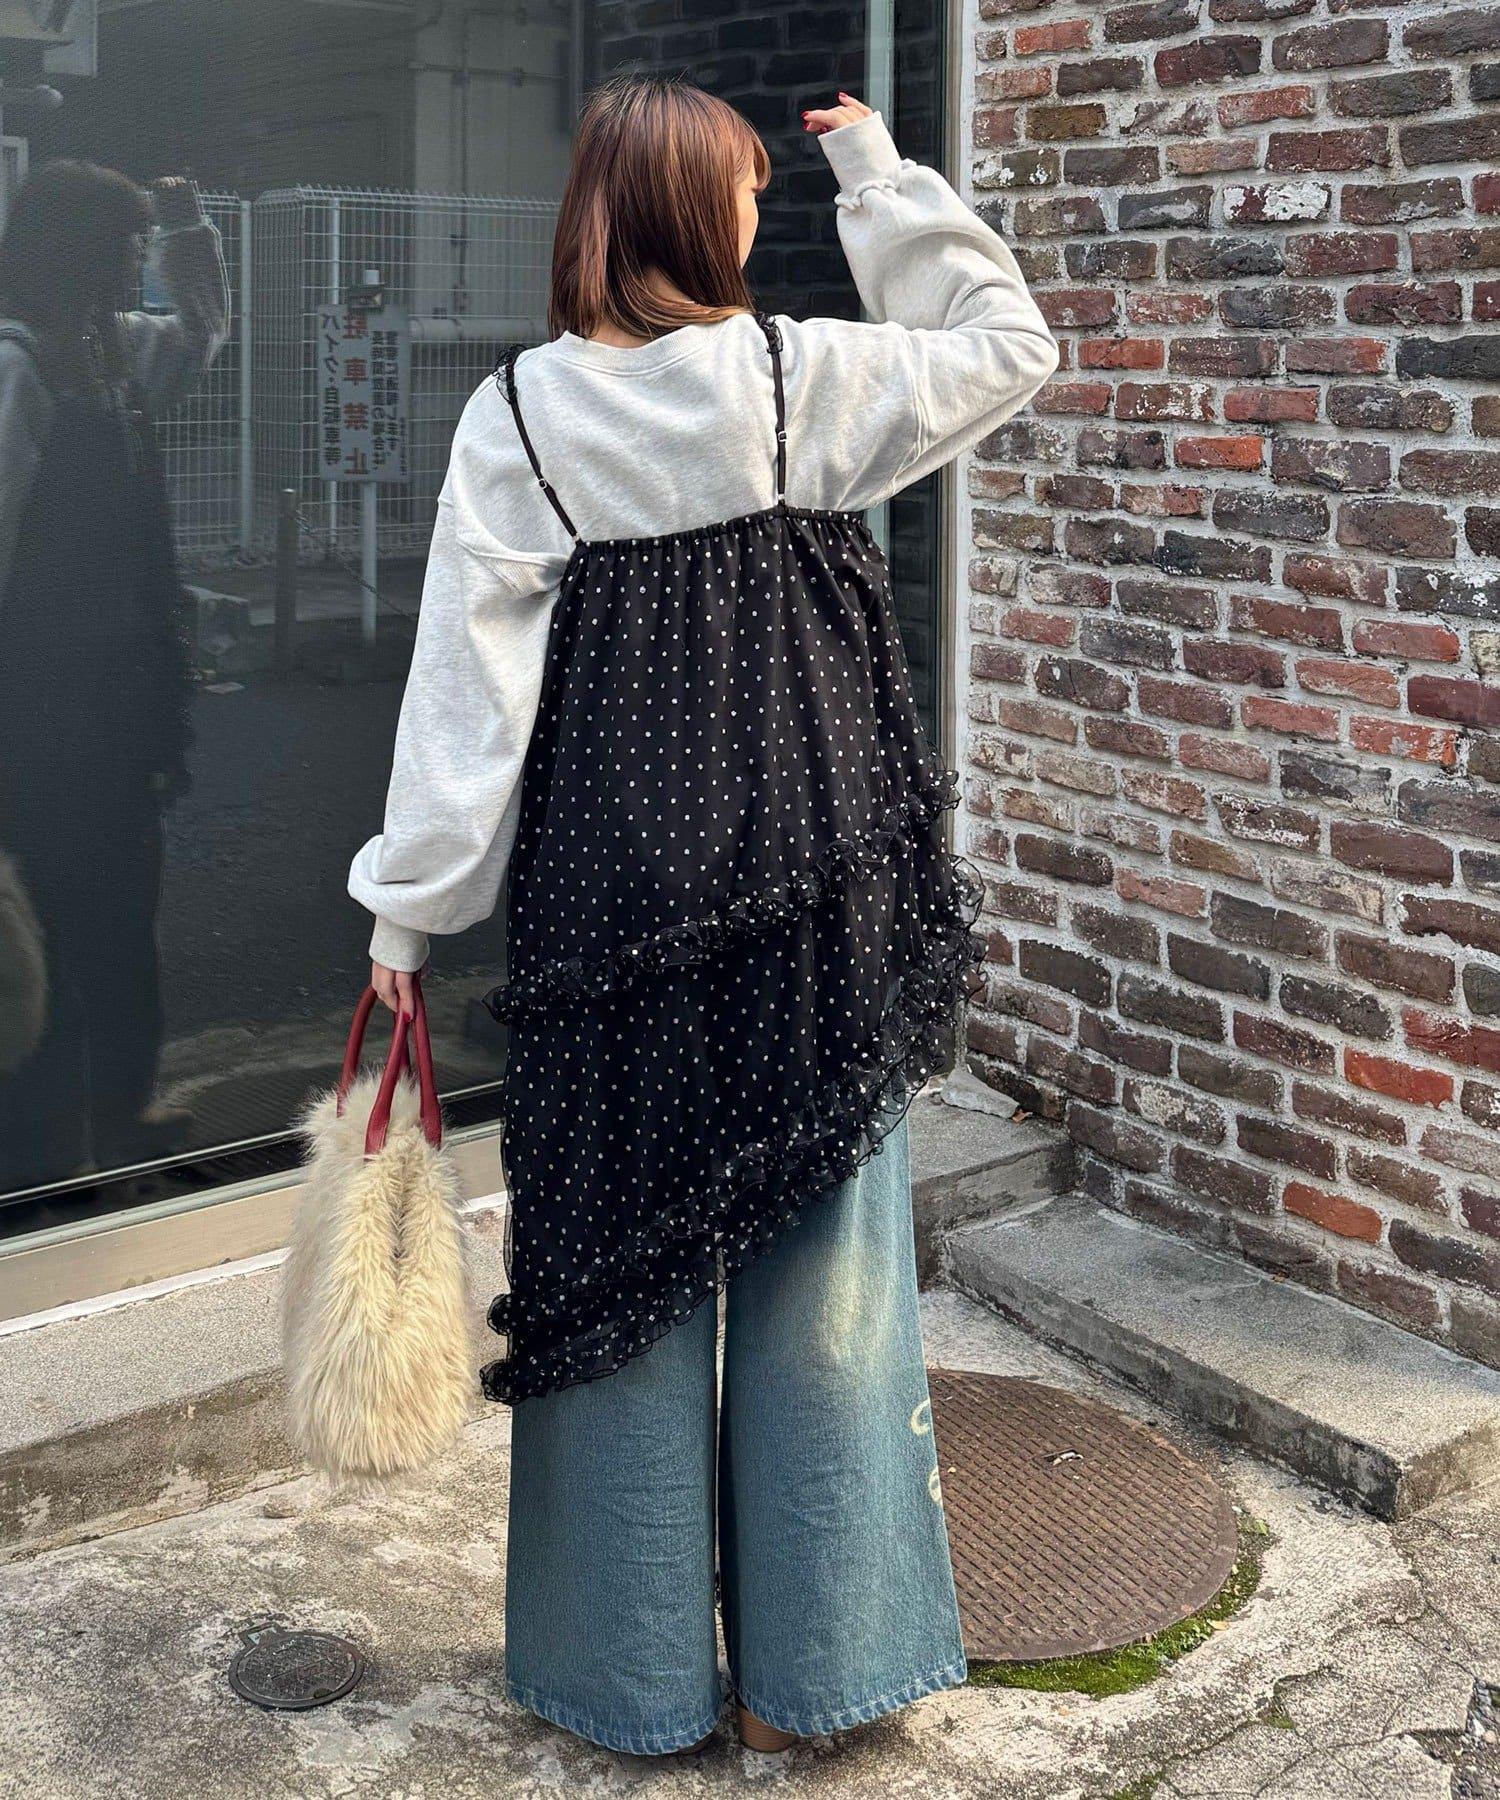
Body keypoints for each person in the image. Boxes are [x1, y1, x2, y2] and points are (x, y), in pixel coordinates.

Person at [349, 77, 1056, 1755]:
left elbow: (467, 692)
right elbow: (1007, 342)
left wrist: (406, 921)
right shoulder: (803, 380)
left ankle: (627, 1678)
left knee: (614, 1269)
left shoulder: (521, 418)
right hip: (814, 884)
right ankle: (815, 1681)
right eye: (745, 188)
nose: (758, 211)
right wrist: (877, 177)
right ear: (692, 210)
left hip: (614, 907)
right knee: (828, 1281)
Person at [0, 163, 229, 1188]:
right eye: (126, 244)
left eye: (142, 244)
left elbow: (202, 332)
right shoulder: (17, 366)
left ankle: (118, 1124)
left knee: (120, 921)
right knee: (51, 929)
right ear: (75, 253)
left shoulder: (111, 353)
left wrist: (189, 227)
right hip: (38, 707)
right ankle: (46, 1153)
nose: (138, 261)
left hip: (119, 703)